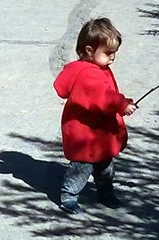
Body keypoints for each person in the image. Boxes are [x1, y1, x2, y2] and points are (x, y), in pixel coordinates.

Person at [53, 17, 137, 214]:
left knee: (105, 166)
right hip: (87, 134)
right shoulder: (88, 74)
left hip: (95, 131)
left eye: (114, 52)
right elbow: (103, 96)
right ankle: (69, 196)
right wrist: (122, 104)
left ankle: (106, 194)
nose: (112, 57)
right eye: (108, 53)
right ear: (90, 51)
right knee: (82, 168)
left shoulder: (94, 68)